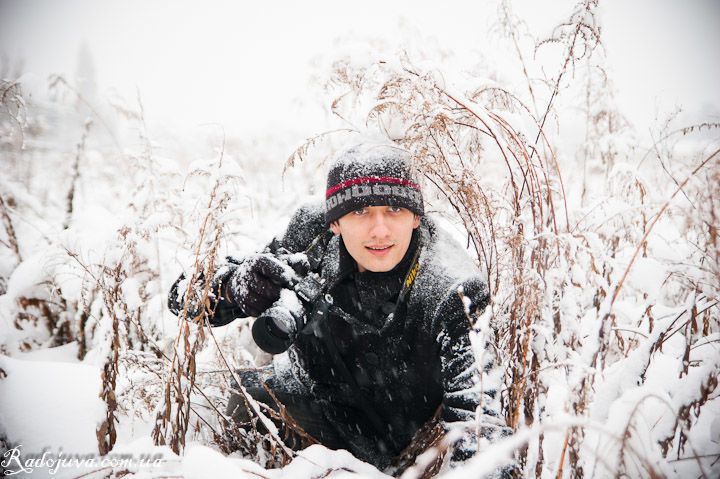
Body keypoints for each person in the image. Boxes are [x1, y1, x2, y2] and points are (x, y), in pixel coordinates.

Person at [168, 141, 509, 472]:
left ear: (416, 217)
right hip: (322, 415)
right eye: (360, 211)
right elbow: (180, 297)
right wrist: (232, 288)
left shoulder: (455, 290)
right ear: (334, 222)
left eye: (395, 209)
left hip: (414, 443)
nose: (380, 229)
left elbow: (481, 428)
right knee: (251, 393)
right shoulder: (310, 238)